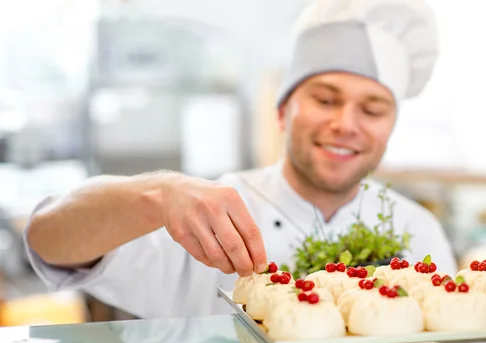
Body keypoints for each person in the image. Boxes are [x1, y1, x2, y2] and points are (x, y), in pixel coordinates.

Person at [24, 0, 457, 318]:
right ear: (283, 111)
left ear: (391, 125)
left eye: (373, 109)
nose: (346, 123)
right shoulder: (203, 211)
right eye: (326, 99)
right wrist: (159, 195)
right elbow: (48, 240)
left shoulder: (419, 231)